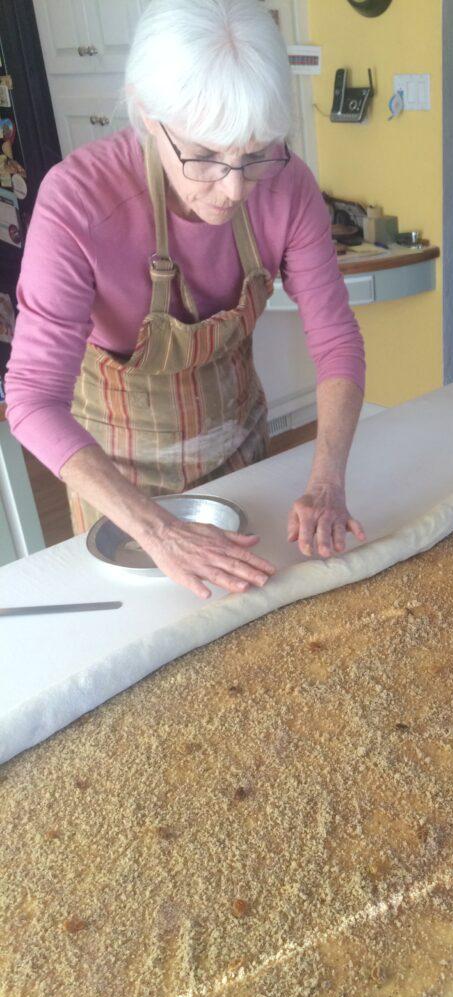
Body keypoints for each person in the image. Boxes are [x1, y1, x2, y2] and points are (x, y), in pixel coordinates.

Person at [5, 0, 367, 600]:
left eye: (254, 155)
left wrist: (327, 481)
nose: (232, 189)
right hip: (120, 489)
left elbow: (335, 339)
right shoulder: (76, 203)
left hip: (245, 452)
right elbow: (32, 399)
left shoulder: (288, 186)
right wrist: (159, 532)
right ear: (148, 113)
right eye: (205, 155)